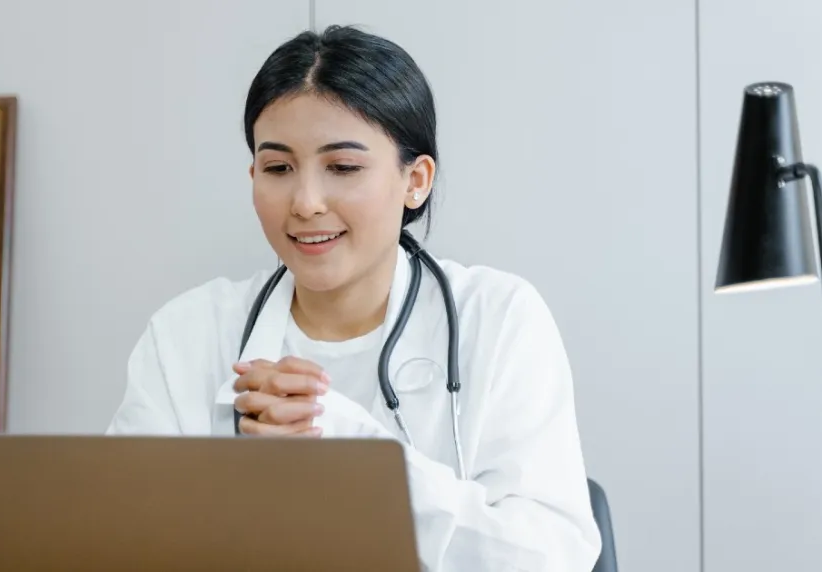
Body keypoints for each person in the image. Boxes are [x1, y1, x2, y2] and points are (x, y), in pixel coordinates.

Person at [106, 25, 601, 571]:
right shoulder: (187, 334)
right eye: (278, 168)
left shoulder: (499, 317)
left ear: (416, 180)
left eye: (342, 167)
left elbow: (551, 557)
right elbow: (122, 540)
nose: (306, 202)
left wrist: (359, 459)